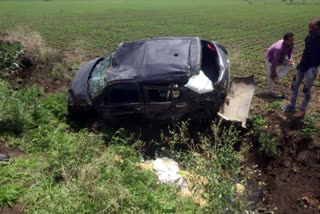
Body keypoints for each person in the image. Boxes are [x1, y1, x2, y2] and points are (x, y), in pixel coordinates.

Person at [282, 18, 320, 116]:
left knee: (306, 89)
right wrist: (300, 64)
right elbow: (306, 51)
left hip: (312, 68)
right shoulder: (308, 37)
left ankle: (302, 109)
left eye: (312, 28)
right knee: (294, 86)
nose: (310, 29)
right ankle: (292, 105)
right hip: (302, 65)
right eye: (309, 27)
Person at [265, 32, 295, 98]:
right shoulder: (278, 48)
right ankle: (271, 92)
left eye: (293, 39)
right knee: (271, 76)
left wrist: (290, 58)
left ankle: (277, 75)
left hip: (281, 58)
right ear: (285, 40)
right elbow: (274, 61)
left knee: (291, 64)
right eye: (290, 40)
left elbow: (291, 51)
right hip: (271, 59)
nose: (292, 41)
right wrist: (273, 71)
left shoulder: (291, 43)